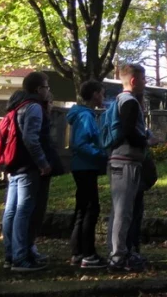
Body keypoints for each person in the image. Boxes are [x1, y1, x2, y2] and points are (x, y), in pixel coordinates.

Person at [108, 63, 156, 273]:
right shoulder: (130, 103)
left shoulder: (120, 100)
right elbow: (128, 131)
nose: (146, 83)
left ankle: (120, 252)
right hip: (125, 162)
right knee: (123, 211)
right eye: (144, 79)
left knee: (121, 210)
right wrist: (146, 139)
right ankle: (118, 257)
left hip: (123, 161)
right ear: (134, 81)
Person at [1, 71, 51, 273]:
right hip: (28, 166)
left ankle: (10, 254)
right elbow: (31, 139)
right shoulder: (34, 107)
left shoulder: (17, 106)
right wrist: (42, 162)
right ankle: (20, 258)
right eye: (47, 87)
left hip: (14, 165)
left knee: (11, 211)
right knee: (23, 210)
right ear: (38, 89)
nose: (48, 91)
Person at [67, 80, 108, 268]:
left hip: (81, 167)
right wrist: (101, 155)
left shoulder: (83, 115)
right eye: (101, 93)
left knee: (82, 209)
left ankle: (77, 252)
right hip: (86, 167)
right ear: (93, 95)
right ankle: (88, 254)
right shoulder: (85, 116)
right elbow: (81, 144)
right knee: (91, 208)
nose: (103, 97)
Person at [28, 89, 66, 265]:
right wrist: (44, 163)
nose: (52, 106)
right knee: (33, 209)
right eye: (50, 102)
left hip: (31, 167)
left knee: (26, 209)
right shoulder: (36, 111)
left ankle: (22, 249)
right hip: (37, 168)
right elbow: (33, 139)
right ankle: (26, 249)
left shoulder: (23, 108)